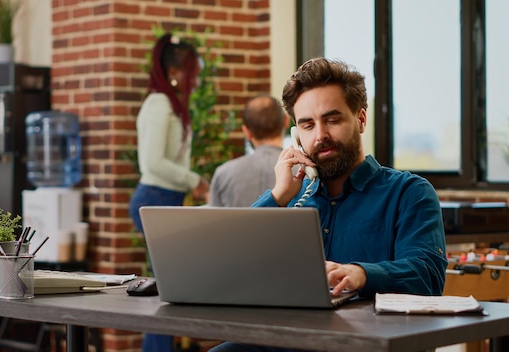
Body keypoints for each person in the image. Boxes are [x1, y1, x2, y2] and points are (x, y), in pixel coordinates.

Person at [209, 57, 448, 352]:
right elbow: (231, 267)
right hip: (292, 339)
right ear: (296, 135)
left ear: (360, 120)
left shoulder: (410, 192)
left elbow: (427, 275)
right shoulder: (293, 198)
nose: (320, 135)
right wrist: (279, 195)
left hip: (366, 343)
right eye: (307, 125)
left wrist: (361, 274)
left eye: (332, 120)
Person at [128, 33, 208, 352]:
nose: (197, 80)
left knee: (169, 288)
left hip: (165, 200)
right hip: (154, 199)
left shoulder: (169, 104)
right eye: (194, 73)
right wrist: (195, 181)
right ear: (175, 73)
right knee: (168, 291)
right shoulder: (158, 104)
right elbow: (152, 163)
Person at [209, 94, 288, 207]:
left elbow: (213, 222)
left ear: (246, 132)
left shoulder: (223, 174)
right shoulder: (306, 171)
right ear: (286, 121)